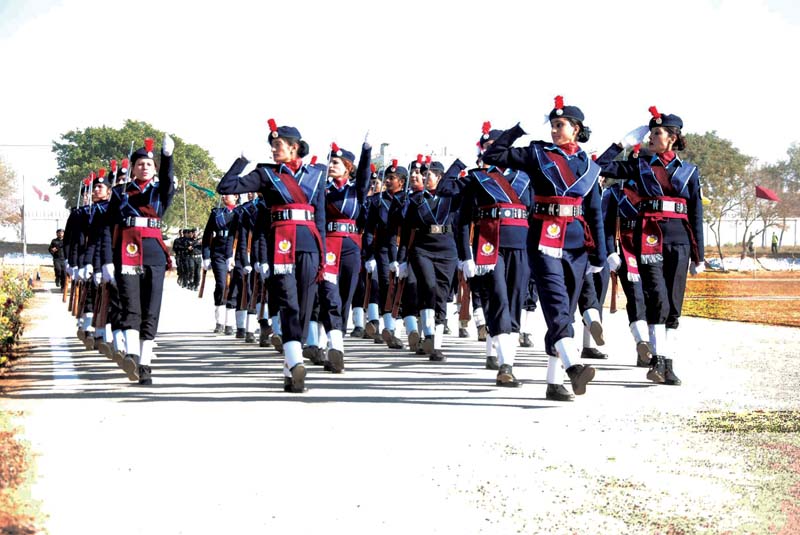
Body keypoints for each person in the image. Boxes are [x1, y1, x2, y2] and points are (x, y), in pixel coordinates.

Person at [481, 96, 607, 401]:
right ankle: (574, 367)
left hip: (576, 244)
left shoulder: (587, 165)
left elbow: (594, 212)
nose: (554, 129)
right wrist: (519, 129)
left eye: (560, 124)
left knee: (564, 311)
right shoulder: (538, 153)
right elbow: (495, 153)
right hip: (543, 240)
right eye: (552, 124)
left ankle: (554, 382)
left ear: (576, 129)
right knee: (555, 305)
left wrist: (599, 253)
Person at [217, 120, 326, 394]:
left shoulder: (316, 175)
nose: (273, 150)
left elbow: (320, 217)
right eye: (272, 146)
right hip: (282, 244)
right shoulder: (266, 174)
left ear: (294, 148)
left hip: (310, 245)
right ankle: (296, 361)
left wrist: (323, 254)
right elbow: (226, 188)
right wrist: (241, 162)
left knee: (304, 303)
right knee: (288, 301)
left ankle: (290, 366)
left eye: (278, 145)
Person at [598, 106, 705, 386]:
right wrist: (622, 144)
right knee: (657, 297)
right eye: (650, 132)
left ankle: (667, 364)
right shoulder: (639, 165)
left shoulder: (689, 172)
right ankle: (658, 361)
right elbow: (600, 166)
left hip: (679, 240)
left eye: (656, 133)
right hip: (650, 239)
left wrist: (699, 256)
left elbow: (696, 215)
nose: (651, 138)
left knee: (673, 303)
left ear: (672, 138)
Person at [104, 135, 176, 385]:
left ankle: (145, 363)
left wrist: (167, 157)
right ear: (132, 168)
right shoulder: (119, 193)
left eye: (149, 164)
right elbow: (108, 227)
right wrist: (107, 261)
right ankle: (132, 355)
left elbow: (167, 180)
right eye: (140, 164)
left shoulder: (161, 191)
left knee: (151, 308)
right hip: (126, 252)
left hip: (154, 252)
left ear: (154, 169)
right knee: (130, 305)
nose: (144, 167)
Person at [398, 159, 465, 361]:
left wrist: (465, 256)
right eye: (423, 175)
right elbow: (406, 231)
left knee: (442, 295)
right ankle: (427, 333)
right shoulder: (416, 200)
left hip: (447, 249)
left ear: (440, 177)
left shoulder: (452, 198)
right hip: (423, 248)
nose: (425, 178)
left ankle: (436, 345)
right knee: (428, 287)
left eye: (429, 175)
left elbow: (462, 227)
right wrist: (401, 260)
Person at [201, 194, 239, 334]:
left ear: (236, 196)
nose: (224, 197)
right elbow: (207, 235)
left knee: (233, 287)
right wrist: (205, 256)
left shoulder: (240, 213)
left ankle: (230, 323)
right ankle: (219, 321)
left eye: (227, 194)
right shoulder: (216, 213)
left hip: (235, 251)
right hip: (218, 253)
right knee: (221, 284)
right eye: (223, 195)